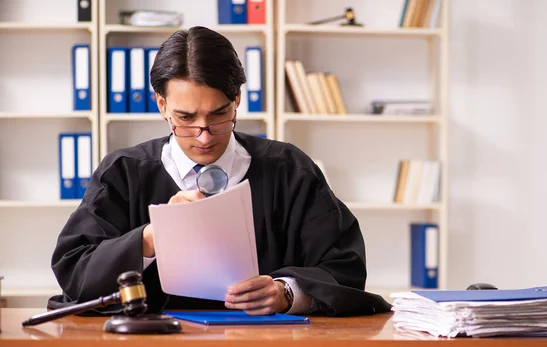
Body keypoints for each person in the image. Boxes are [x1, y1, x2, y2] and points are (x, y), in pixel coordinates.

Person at [49, 26, 391, 317]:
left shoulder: (289, 171)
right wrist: (151, 238)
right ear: (162, 105)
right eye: (186, 118)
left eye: (218, 114)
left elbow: (344, 265)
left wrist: (288, 293)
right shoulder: (123, 173)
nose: (204, 134)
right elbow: (75, 272)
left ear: (238, 99)